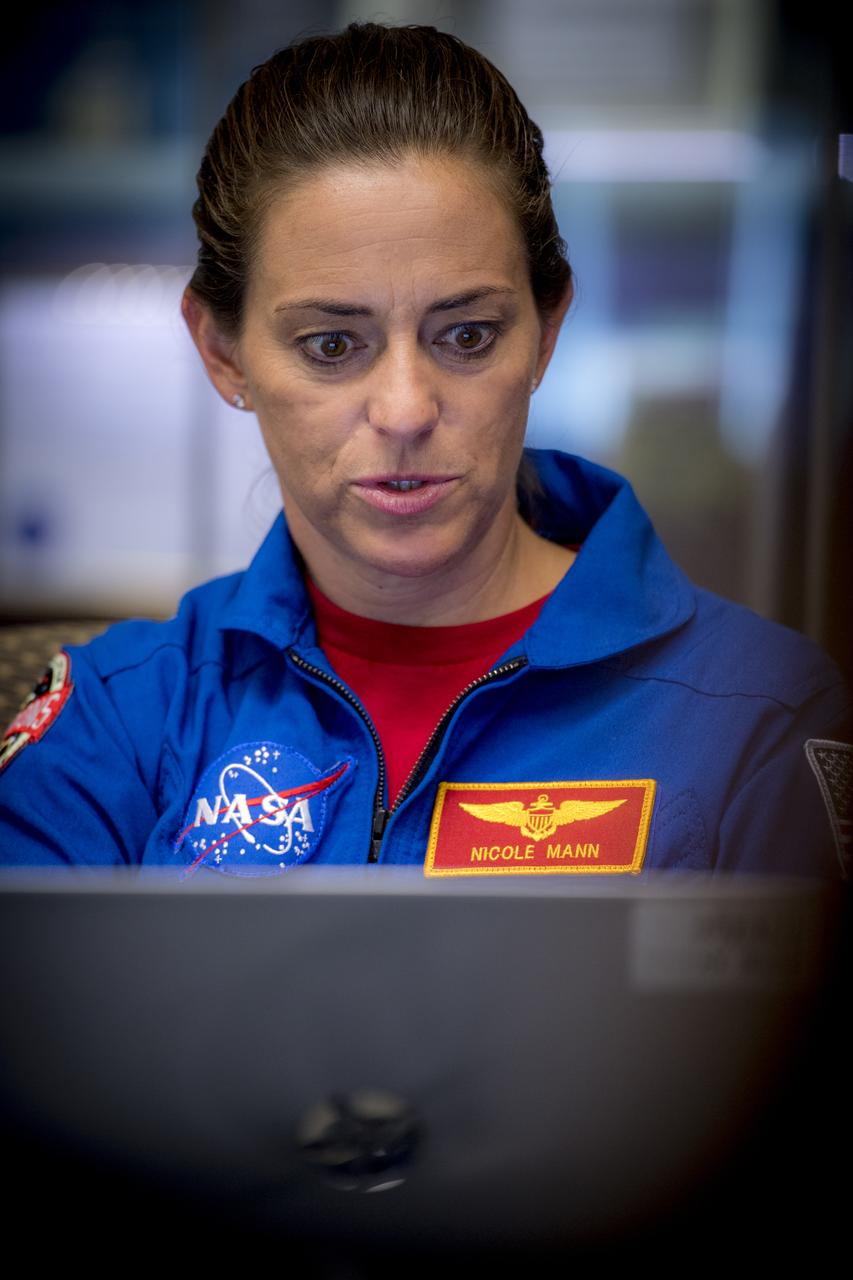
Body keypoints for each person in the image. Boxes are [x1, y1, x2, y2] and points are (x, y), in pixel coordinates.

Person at [0, 22, 848, 877]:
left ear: (546, 331)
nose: (405, 411)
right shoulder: (120, 716)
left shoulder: (758, 718)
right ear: (223, 354)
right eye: (332, 345)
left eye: (467, 335)